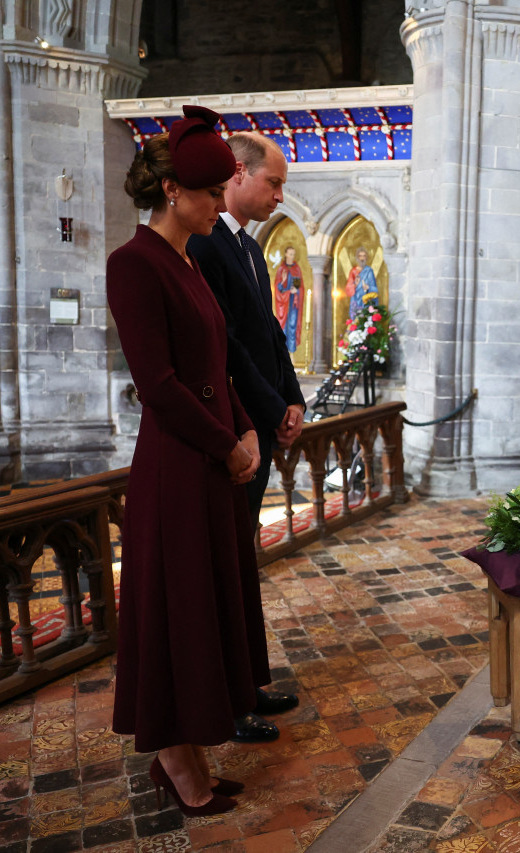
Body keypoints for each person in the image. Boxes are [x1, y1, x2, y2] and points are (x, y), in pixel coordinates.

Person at [107, 105, 266, 816]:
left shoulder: (185, 259)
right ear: (172, 190)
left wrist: (245, 427)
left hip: (209, 459)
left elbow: (216, 362)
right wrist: (225, 441)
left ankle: (191, 756)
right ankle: (175, 761)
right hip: (176, 465)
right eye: (207, 195)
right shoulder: (133, 264)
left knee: (204, 608)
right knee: (176, 613)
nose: (215, 206)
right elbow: (161, 385)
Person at [187, 131, 304, 743]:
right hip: (234, 424)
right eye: (274, 182)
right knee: (225, 564)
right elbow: (227, 346)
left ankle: (248, 681)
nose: (279, 196)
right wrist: (263, 409)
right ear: (238, 174)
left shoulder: (252, 251)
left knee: (241, 560)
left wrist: (293, 399)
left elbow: (272, 337)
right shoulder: (206, 249)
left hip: (260, 417)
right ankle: (230, 699)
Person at [272, 245, 303, 353]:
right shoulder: (282, 269)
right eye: (290, 254)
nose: (292, 256)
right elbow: (277, 288)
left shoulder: (296, 268)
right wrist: (283, 281)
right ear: (285, 254)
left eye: (293, 254)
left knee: (292, 325)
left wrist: (296, 290)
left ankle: (292, 354)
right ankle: (283, 353)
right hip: (283, 303)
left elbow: (299, 285)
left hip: (293, 303)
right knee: (283, 327)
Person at [346, 246, 378, 317]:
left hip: (366, 298)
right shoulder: (353, 271)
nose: (362, 258)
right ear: (357, 258)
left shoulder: (369, 270)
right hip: (356, 298)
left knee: (366, 316)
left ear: (366, 258)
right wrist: (355, 285)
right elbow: (348, 288)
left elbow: (374, 288)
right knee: (356, 317)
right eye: (360, 256)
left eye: (364, 256)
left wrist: (368, 287)